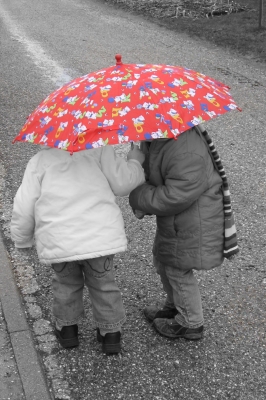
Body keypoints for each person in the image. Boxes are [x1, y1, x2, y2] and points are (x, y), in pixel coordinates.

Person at [10, 144, 145, 354]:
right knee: (103, 285)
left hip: (60, 240)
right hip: (99, 239)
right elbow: (123, 184)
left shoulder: (40, 161)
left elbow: (24, 204)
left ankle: (68, 330)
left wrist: (22, 239)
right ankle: (110, 334)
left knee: (65, 285)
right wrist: (135, 161)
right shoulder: (101, 152)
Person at [129, 125, 225, 340]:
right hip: (177, 219)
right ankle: (175, 305)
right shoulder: (157, 136)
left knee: (177, 267)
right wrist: (136, 162)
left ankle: (191, 321)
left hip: (192, 219)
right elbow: (155, 170)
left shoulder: (186, 150)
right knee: (164, 259)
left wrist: (139, 195)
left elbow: (176, 195)